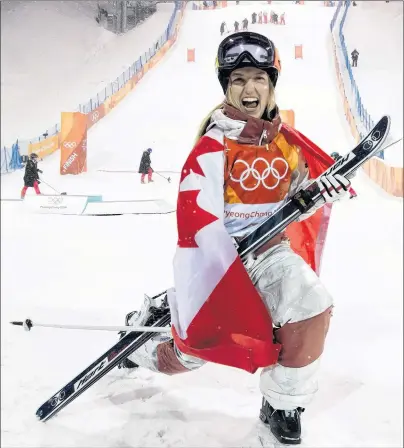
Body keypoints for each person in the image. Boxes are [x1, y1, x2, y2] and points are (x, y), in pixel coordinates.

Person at [121, 32, 351, 445]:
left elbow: (298, 199)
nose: (250, 89)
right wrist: (220, 264)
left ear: (272, 85)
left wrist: (320, 193)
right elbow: (196, 222)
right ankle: (140, 345)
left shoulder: (286, 143)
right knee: (197, 351)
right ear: (227, 86)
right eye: (239, 79)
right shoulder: (213, 145)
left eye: (259, 78)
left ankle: (282, 404)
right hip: (222, 265)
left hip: (270, 256)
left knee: (313, 306)